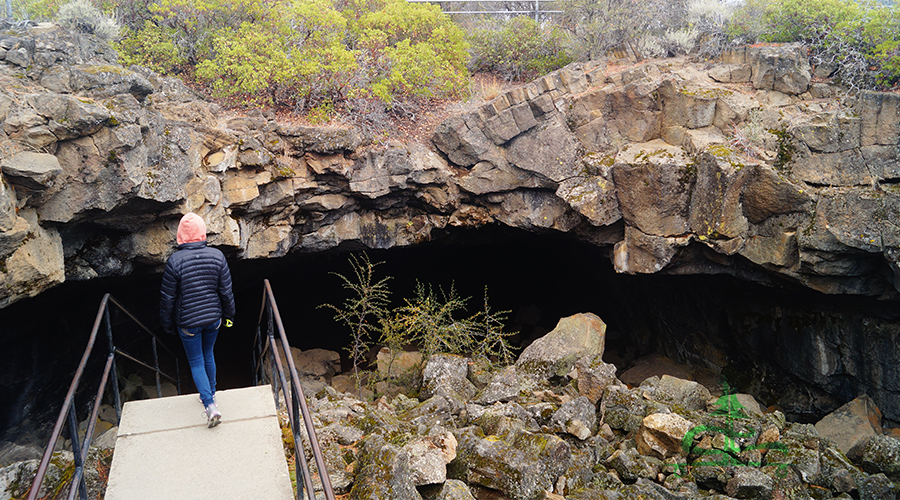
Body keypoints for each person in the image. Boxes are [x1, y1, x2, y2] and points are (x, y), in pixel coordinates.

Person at [159, 212, 235, 428]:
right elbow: (226, 292)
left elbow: (168, 298)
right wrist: (229, 315)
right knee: (208, 354)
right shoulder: (217, 256)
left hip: (188, 322)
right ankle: (210, 394)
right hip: (213, 318)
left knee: (196, 361)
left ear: (181, 236)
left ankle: (210, 404)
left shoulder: (175, 261)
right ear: (203, 232)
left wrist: (166, 323)